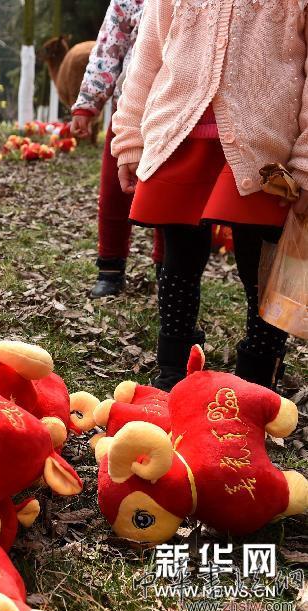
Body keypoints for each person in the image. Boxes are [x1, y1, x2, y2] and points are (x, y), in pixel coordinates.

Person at [111, 0, 308, 390]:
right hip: (177, 137)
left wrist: (304, 159)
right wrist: (130, 136)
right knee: (179, 254)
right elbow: (147, 59)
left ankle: (259, 367)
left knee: (260, 262)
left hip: (263, 146)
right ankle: (174, 362)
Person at [71, 0, 163, 298]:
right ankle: (110, 267)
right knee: (114, 191)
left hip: (178, 112)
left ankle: (169, 270)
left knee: (172, 194)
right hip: (129, 110)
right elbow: (109, 46)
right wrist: (88, 103)